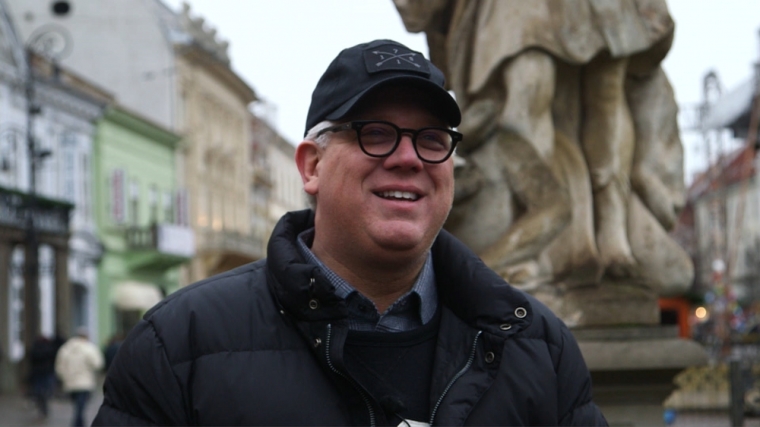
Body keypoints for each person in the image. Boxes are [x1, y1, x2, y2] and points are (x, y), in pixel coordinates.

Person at [92, 39, 607, 426]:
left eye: (431, 139)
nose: (408, 159)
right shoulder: (179, 343)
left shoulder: (536, 344)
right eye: (375, 133)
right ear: (311, 165)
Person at [55, 327, 104, 427]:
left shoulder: (65, 348)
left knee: (78, 406)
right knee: (80, 407)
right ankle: (78, 424)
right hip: (85, 383)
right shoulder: (89, 348)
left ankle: (79, 424)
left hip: (70, 383)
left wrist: (64, 377)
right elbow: (98, 364)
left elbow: (59, 366)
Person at [28, 335, 57, 417]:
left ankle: (40, 399)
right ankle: (43, 399)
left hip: (38, 372)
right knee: (46, 388)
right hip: (46, 372)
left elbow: (31, 359)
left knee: (39, 388)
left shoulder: (35, 349)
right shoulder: (49, 348)